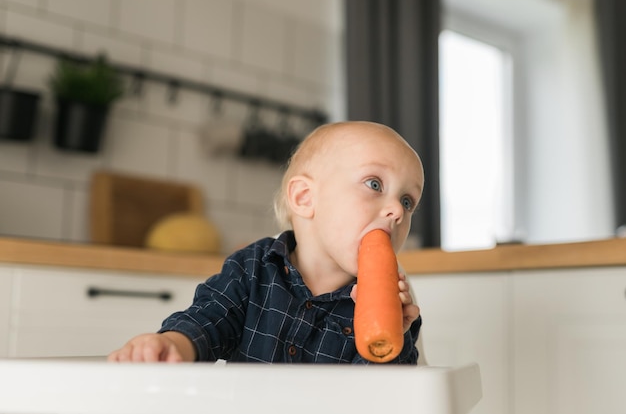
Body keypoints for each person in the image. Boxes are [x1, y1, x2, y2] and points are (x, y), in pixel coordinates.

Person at [108, 121, 424, 364]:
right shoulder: (253, 268)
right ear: (304, 198)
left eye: (408, 201)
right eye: (374, 183)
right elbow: (208, 320)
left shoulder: (394, 302)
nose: (397, 211)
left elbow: (386, 399)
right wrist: (172, 345)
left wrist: (396, 333)